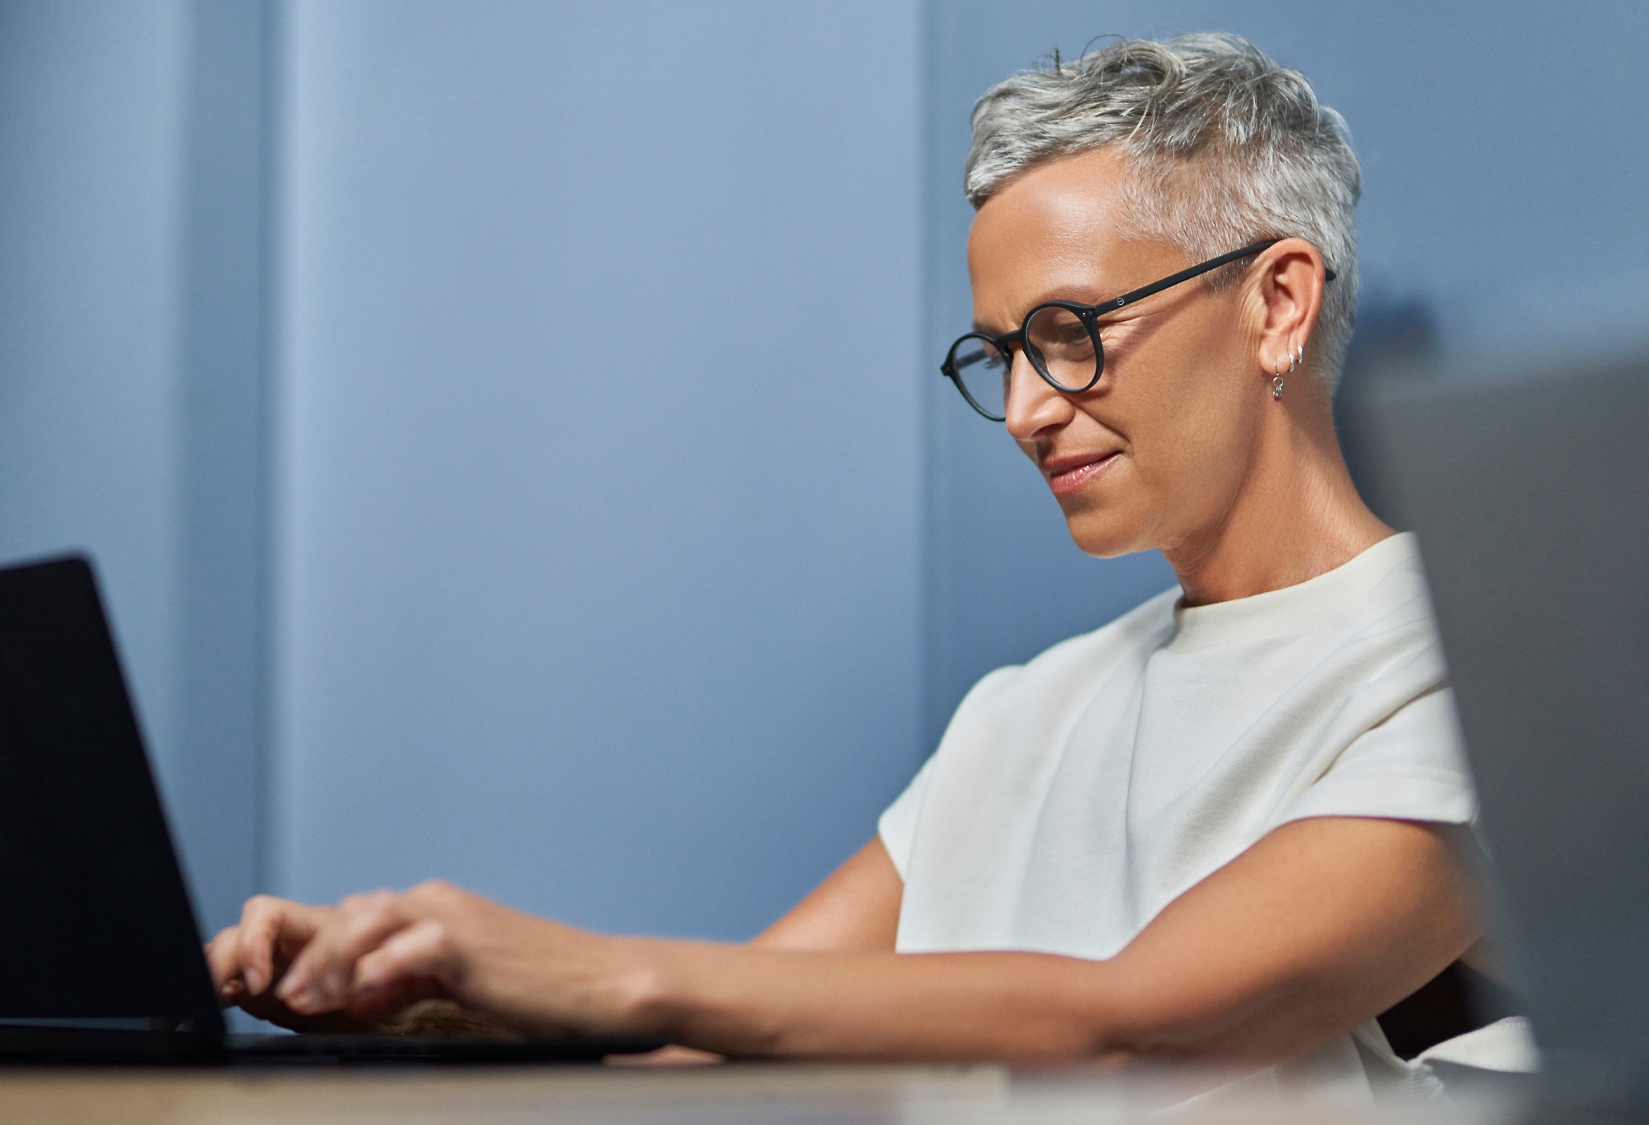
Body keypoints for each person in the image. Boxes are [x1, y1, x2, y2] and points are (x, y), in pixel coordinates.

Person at [207, 33, 1524, 1094]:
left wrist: (593, 969)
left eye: (1069, 331)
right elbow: (709, 1043)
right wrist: (429, 996)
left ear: (1276, 301)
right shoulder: (1024, 715)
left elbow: (1143, 1033)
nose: (1024, 409)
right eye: (999, 353)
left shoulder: (1485, 659)